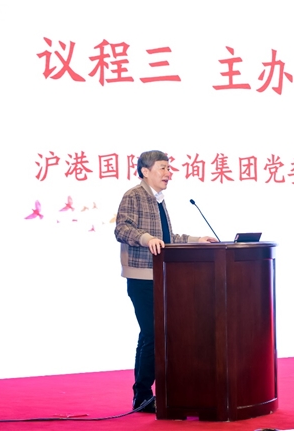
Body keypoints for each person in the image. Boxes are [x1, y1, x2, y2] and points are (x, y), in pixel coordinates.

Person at [114, 150, 218, 413]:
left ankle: (155, 394)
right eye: (162, 168)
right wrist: (146, 238)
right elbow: (122, 229)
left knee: (157, 334)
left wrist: (196, 240)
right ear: (145, 171)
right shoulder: (134, 195)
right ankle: (142, 396)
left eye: (169, 168)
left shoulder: (158, 200)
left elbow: (167, 239)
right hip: (141, 277)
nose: (168, 173)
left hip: (162, 276)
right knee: (152, 334)